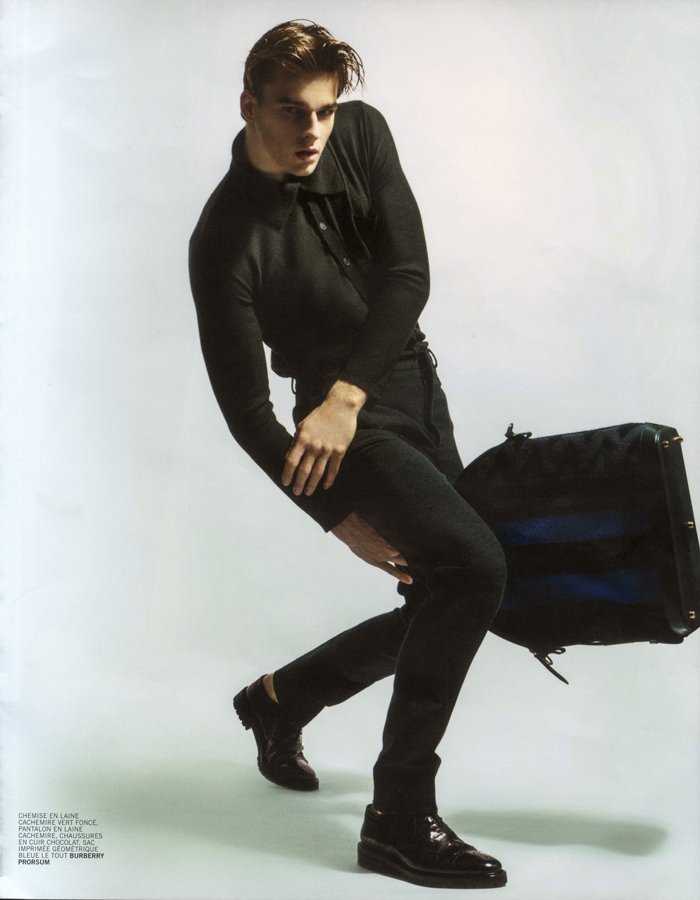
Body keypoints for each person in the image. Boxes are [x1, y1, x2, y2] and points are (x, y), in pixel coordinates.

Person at [189, 20, 508, 890]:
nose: (312, 131)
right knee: (475, 570)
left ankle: (282, 699)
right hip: (342, 437)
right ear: (249, 104)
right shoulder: (223, 239)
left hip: (403, 387)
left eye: (324, 110)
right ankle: (397, 819)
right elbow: (246, 411)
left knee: (448, 592)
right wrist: (337, 516)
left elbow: (408, 275)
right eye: (291, 111)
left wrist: (351, 391)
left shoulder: (361, 134)